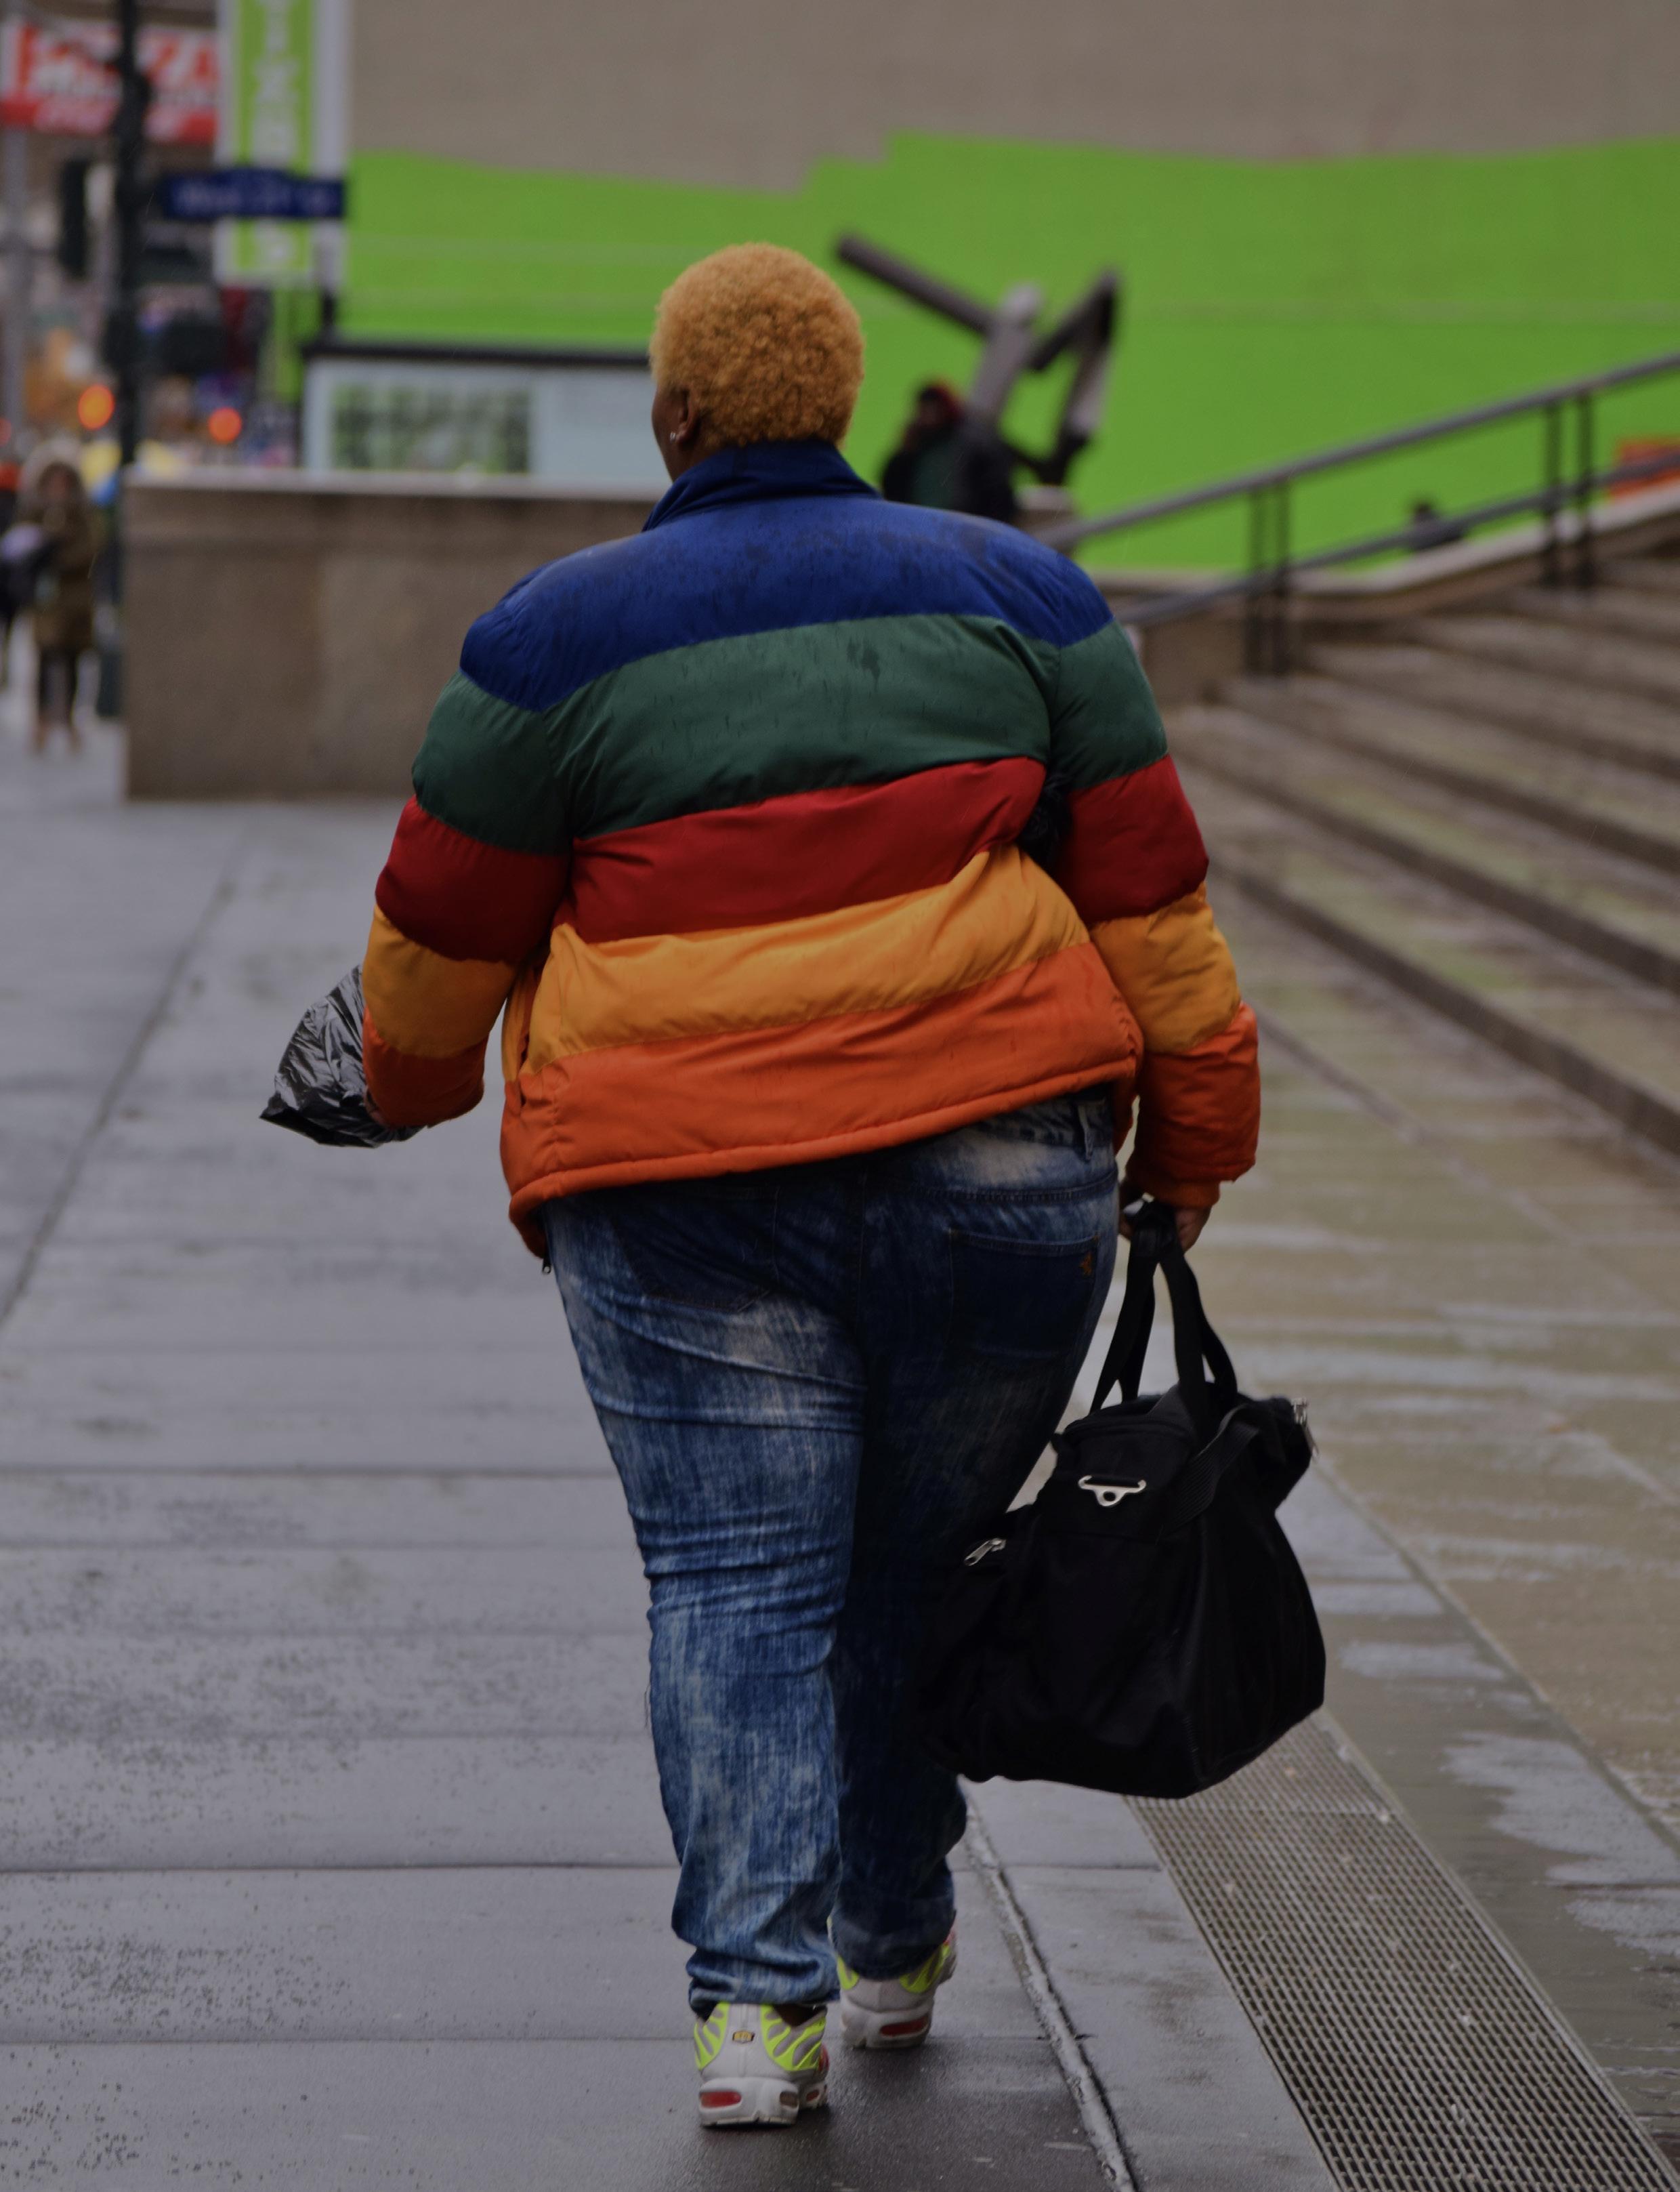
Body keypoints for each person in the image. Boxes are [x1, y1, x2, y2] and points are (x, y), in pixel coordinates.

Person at [354, 243, 1259, 2129]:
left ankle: (757, 2015)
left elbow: (439, 938)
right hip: (1001, 1169)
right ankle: (894, 1929)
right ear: (842, 404)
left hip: (686, 1181)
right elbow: (1154, 906)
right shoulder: (1024, 596)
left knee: (736, 1581)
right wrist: (1192, 1144)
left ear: (675, 413)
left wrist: (405, 1081)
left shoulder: (554, 636)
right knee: (909, 1567)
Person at [20, 444, 99, 753]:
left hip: (75, 597)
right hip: (47, 599)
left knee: (72, 658)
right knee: (45, 657)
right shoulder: (36, 511)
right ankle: (41, 719)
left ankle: (69, 719)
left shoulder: (81, 513)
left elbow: (89, 548)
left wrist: (59, 555)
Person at [882, 377, 1017, 521]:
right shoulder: (919, 443)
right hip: (922, 521)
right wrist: (906, 452)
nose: (929, 417)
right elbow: (892, 485)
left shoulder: (974, 441)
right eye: (925, 410)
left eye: (933, 410)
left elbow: (997, 491)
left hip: (965, 523)